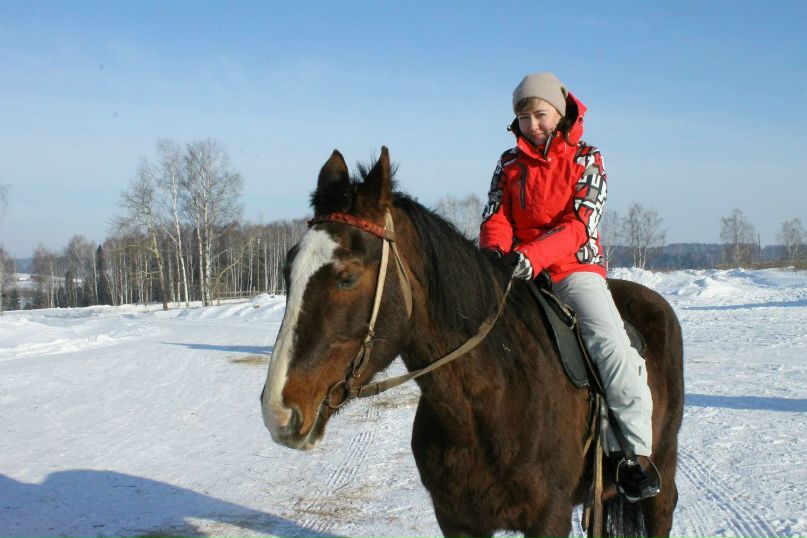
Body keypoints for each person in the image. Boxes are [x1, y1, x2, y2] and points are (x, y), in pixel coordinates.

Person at [479, 72, 660, 503]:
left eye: (539, 114)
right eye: (523, 118)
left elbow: (581, 223)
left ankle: (632, 456)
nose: (532, 125)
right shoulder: (508, 164)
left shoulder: (588, 159)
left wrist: (533, 257)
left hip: (572, 270)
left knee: (610, 346)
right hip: (517, 272)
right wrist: (494, 255)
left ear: (559, 113)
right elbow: (495, 215)